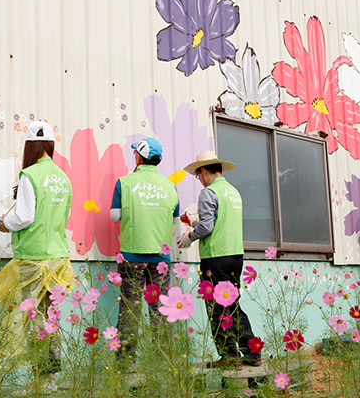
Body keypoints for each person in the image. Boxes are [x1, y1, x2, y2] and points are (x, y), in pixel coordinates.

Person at [0, 121, 72, 395]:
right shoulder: (62, 177)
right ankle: (49, 378)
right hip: (58, 256)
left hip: (34, 257)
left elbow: (25, 217)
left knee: (34, 318)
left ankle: (41, 379)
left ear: (29, 146)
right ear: (50, 145)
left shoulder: (30, 175)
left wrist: (5, 222)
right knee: (51, 316)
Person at [177, 151, 260, 367]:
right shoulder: (233, 192)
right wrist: (193, 223)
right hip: (235, 256)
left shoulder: (209, 192)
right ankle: (252, 352)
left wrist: (189, 236)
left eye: (198, 175)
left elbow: (207, 227)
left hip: (215, 257)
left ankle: (229, 356)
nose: (199, 180)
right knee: (232, 304)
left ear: (203, 171)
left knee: (217, 307)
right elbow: (217, 223)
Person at [109, 137, 179, 363]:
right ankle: (162, 362)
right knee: (160, 309)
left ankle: (126, 363)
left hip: (132, 255)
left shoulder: (124, 182)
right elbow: (174, 220)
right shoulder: (170, 186)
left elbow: (115, 216)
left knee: (131, 309)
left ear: (139, 156)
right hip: (160, 258)